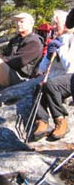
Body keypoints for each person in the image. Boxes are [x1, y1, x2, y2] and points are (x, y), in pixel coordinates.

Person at [32, 10, 74, 141]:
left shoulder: (72, 39)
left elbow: (71, 66)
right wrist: (49, 55)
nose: (54, 27)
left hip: (69, 77)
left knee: (51, 85)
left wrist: (60, 50)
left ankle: (60, 120)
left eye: (57, 24)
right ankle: (42, 121)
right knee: (38, 87)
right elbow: (42, 69)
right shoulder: (55, 41)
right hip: (55, 79)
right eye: (53, 24)